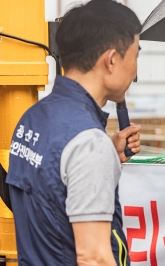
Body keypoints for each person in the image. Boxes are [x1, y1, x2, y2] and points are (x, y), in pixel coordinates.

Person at [6, 1, 142, 265]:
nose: (136, 68)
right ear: (112, 60)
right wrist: (98, 152)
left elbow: (49, 196)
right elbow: (94, 257)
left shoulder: (31, 119)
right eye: (136, 55)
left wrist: (106, 153)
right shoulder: (88, 144)